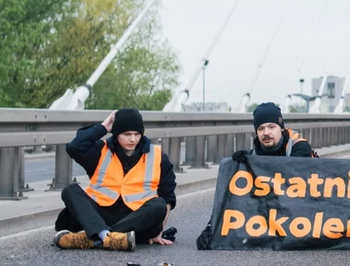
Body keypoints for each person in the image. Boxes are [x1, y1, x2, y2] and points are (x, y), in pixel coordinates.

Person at [195, 102, 318, 250]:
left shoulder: (299, 147)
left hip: (302, 206)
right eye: (261, 128)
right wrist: (212, 228)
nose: (266, 132)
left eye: (271, 127)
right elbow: (235, 196)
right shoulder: (255, 153)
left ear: (282, 128)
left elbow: (292, 186)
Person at [53, 108, 176, 251]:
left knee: (159, 204)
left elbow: (168, 197)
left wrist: (160, 230)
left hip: (136, 219)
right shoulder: (100, 151)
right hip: (101, 214)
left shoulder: (158, 156)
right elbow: (75, 147)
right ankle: (107, 237)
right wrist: (103, 127)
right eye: (127, 134)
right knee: (70, 190)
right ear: (116, 133)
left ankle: (95, 238)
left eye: (137, 134)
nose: (133, 139)